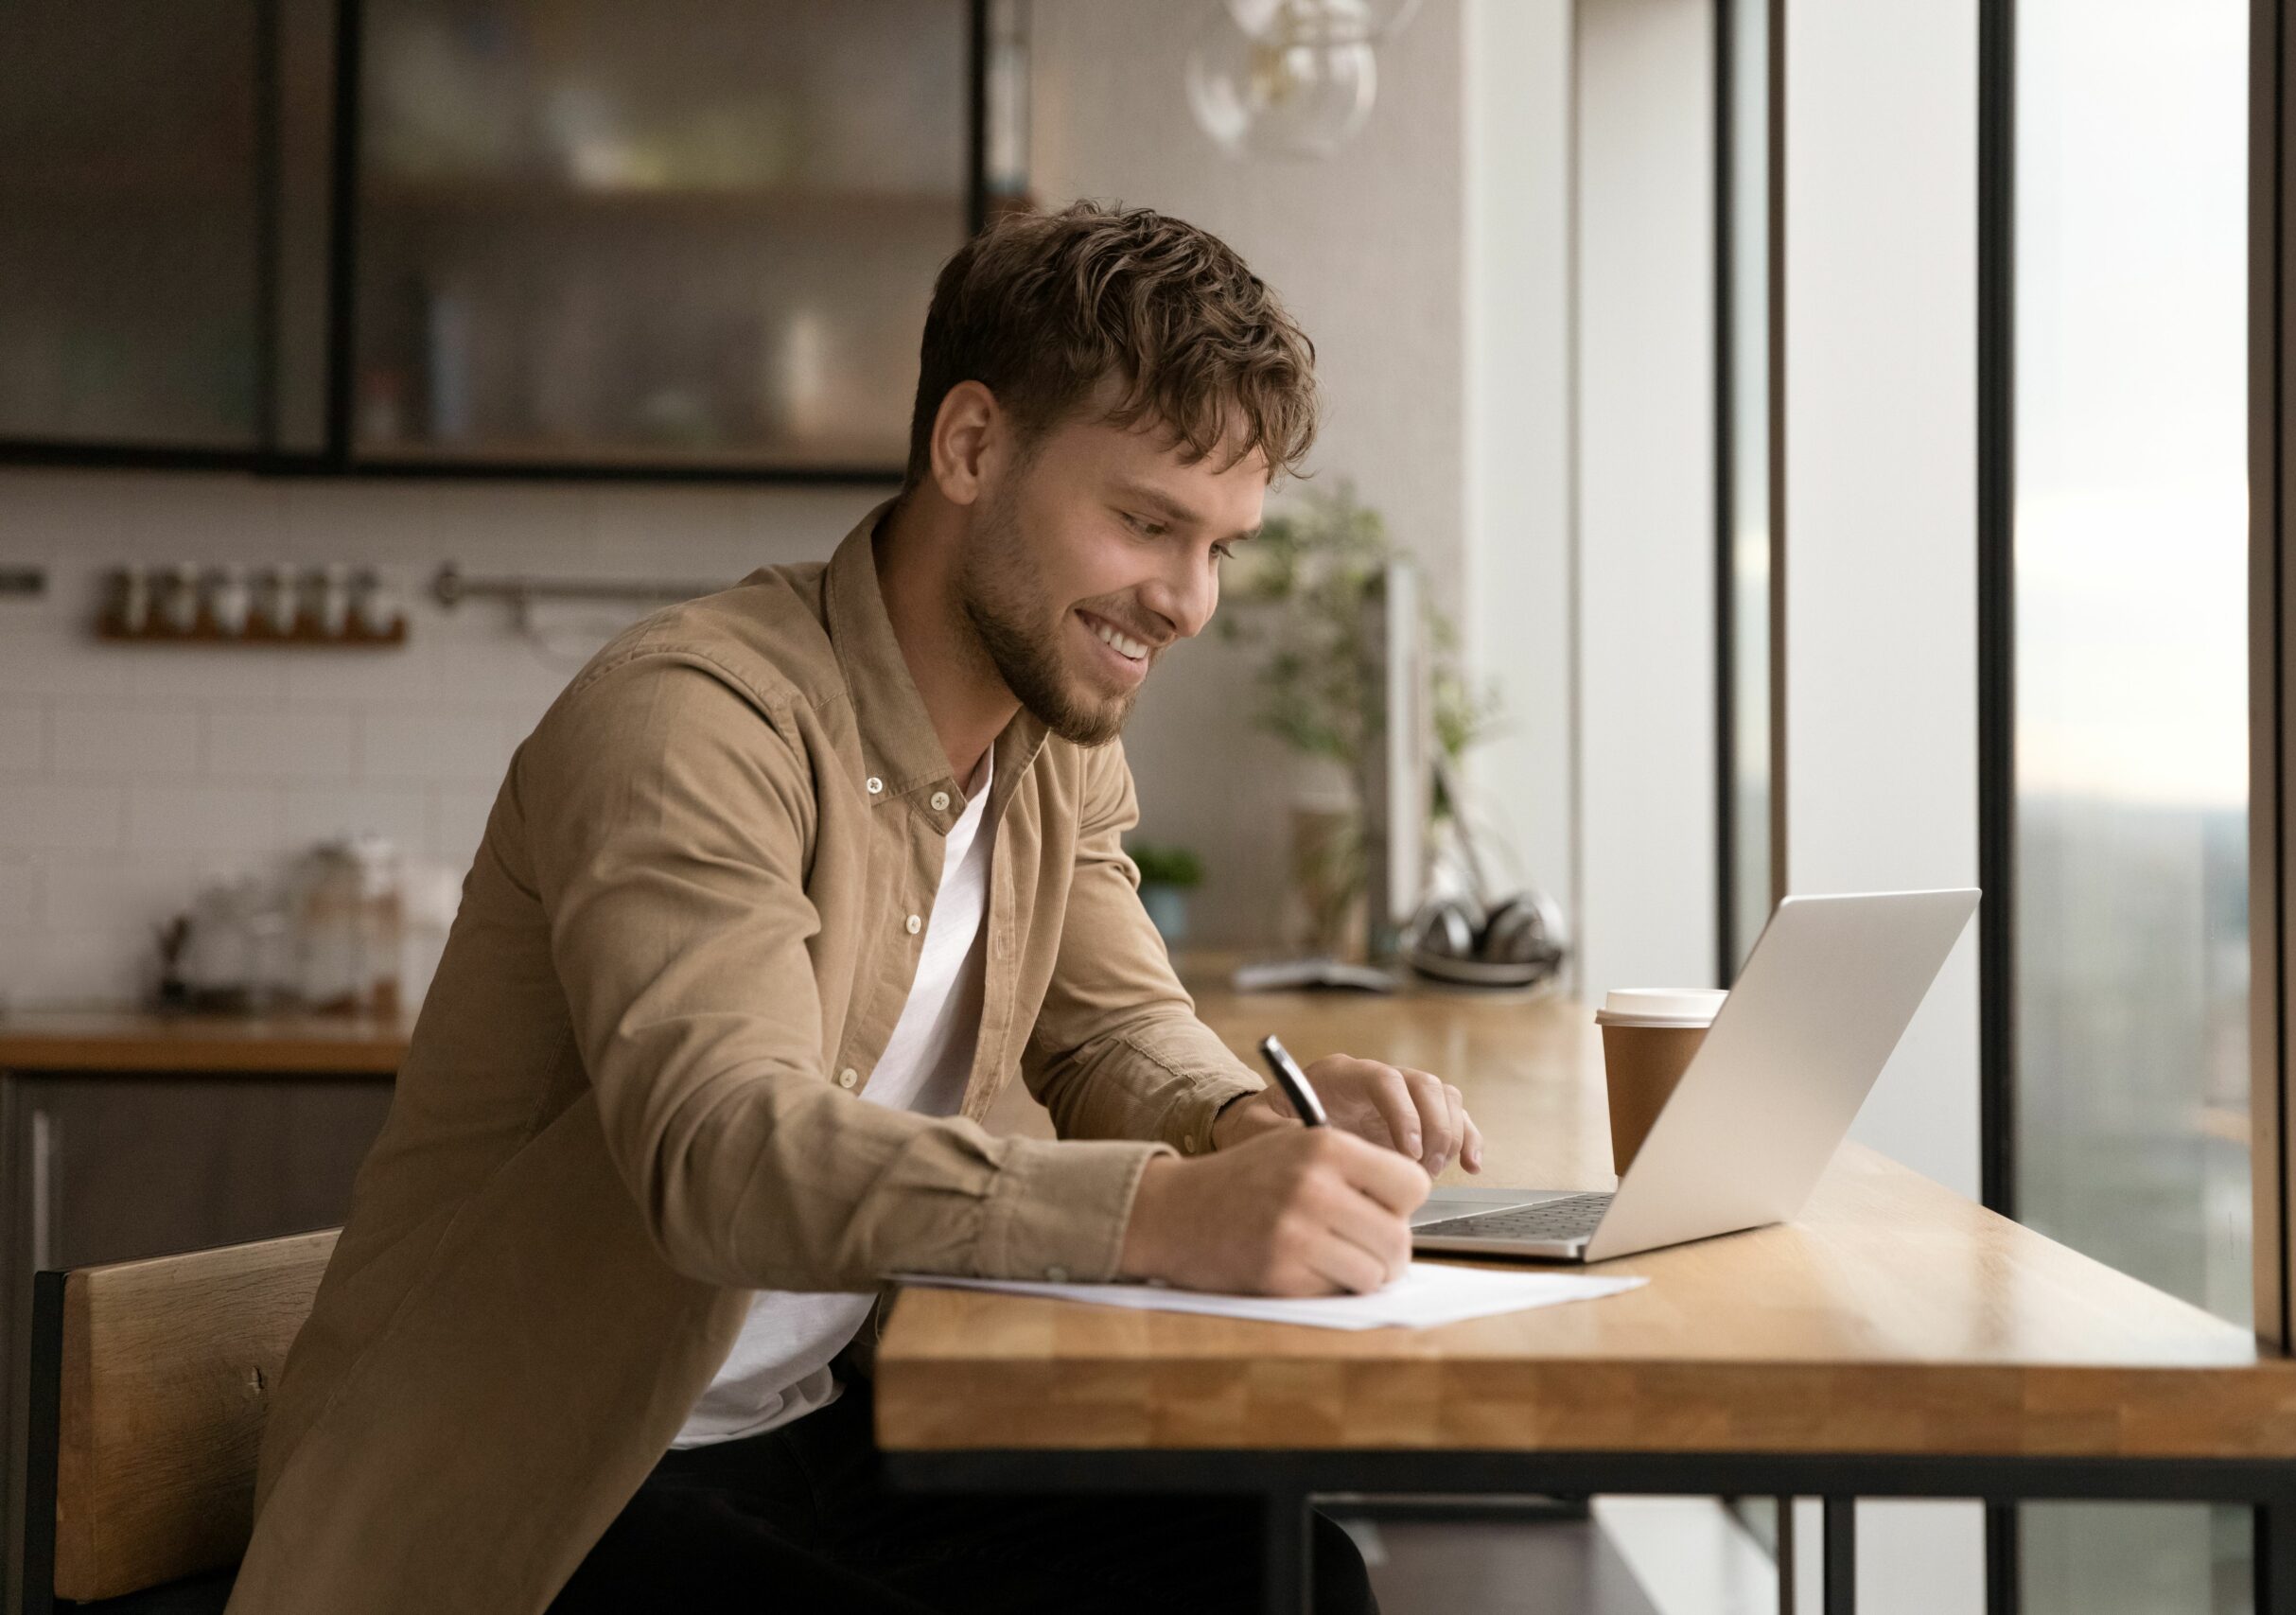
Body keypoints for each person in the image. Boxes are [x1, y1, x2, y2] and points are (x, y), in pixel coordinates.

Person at [226, 202, 1483, 1615]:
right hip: (538, 1498)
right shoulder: (694, 721)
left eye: (1221, 548)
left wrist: (1260, 1134)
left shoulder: (1057, 741)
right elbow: (722, 1152)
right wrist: (1167, 1214)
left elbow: (1114, 1028)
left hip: (817, 1433)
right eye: (1145, 522)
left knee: (1286, 1574)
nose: (1187, 600)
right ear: (970, 446)